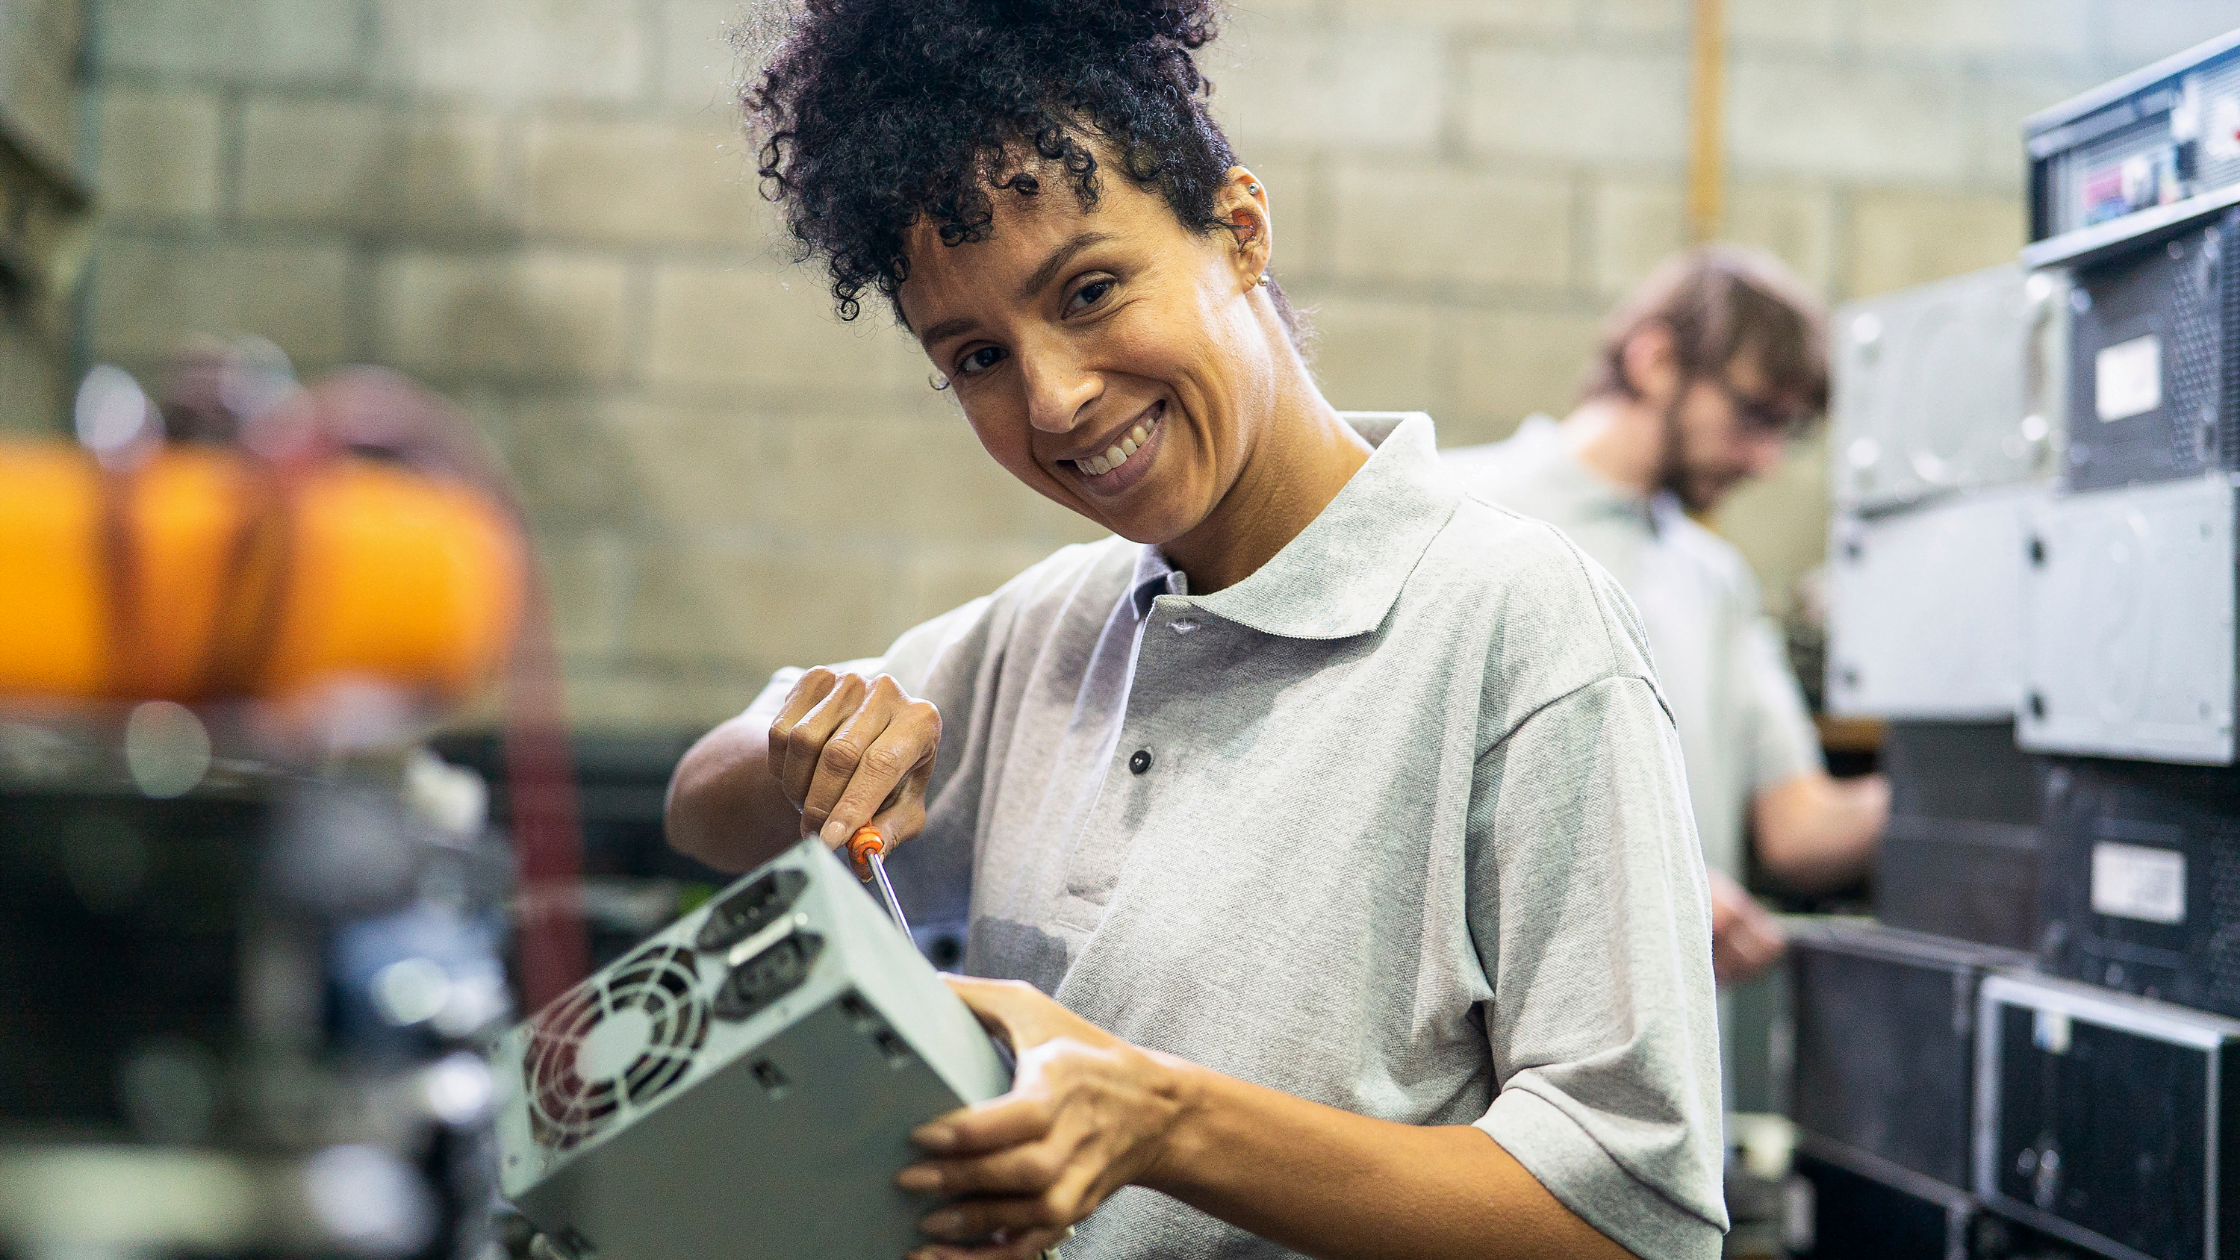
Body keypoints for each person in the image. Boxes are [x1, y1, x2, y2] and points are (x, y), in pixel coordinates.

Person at [666, 3, 1725, 1257]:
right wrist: (802, 740)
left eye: (1092, 289)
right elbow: (700, 810)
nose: (1051, 397)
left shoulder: (1515, 627)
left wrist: (1164, 1122)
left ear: (1238, 231)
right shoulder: (1050, 631)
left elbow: (1638, 1220)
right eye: (975, 358)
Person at [1445, 248, 1890, 988]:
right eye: (1754, 414)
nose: (1767, 460)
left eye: (1787, 430)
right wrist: (1647, 887)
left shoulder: (1716, 581)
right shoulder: (1458, 509)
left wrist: (1977, 795)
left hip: (1668, 1042)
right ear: (1654, 360)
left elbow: (1798, 826)